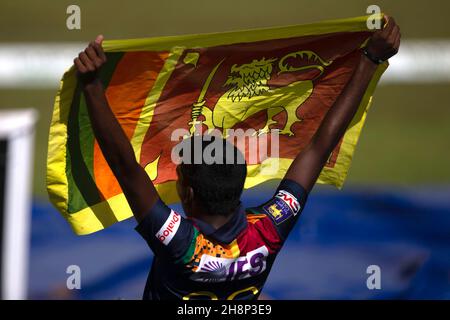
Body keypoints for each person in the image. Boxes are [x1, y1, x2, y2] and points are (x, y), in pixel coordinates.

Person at [73, 16, 400, 300]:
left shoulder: (181, 244)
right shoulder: (268, 229)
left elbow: (126, 166)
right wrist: (370, 60)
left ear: (187, 193)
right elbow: (319, 146)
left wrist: (90, 85)